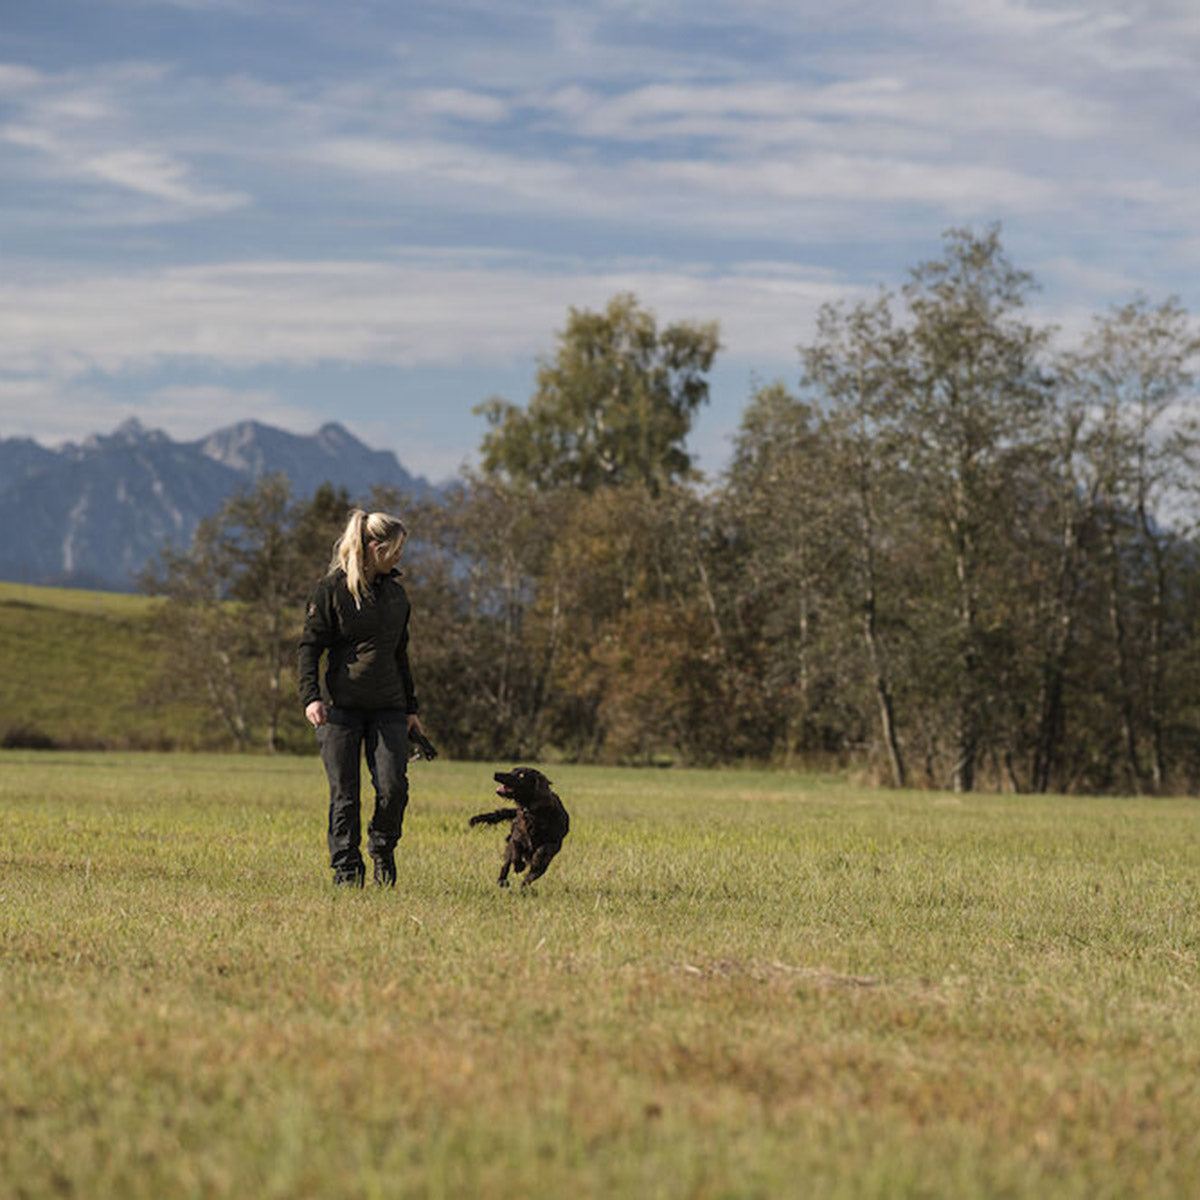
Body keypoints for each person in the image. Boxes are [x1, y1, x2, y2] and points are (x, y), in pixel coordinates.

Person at [298, 508, 425, 887]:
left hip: (388, 707)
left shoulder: (397, 596)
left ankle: (382, 849)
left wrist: (411, 709)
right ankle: (347, 871)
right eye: (395, 549)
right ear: (373, 547)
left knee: (393, 788)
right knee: (345, 797)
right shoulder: (331, 590)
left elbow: (400, 654)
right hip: (341, 710)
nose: (400, 557)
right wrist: (311, 697)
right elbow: (309, 647)